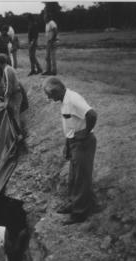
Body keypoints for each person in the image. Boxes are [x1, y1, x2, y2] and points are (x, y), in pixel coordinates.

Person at [43, 77, 98, 224]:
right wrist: (68, 144)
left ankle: (79, 214)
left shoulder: (73, 99)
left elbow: (92, 114)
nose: (49, 98)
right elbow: (70, 124)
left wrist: (85, 132)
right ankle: (76, 204)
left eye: (50, 95)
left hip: (83, 143)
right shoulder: (64, 100)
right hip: (74, 142)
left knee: (81, 177)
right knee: (74, 176)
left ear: (56, 90)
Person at [0, 54, 23, 136]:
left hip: (15, 95)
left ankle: (19, 135)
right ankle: (16, 134)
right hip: (13, 95)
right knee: (12, 115)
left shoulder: (8, 70)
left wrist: (6, 99)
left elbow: (9, 86)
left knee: (15, 115)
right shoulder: (6, 69)